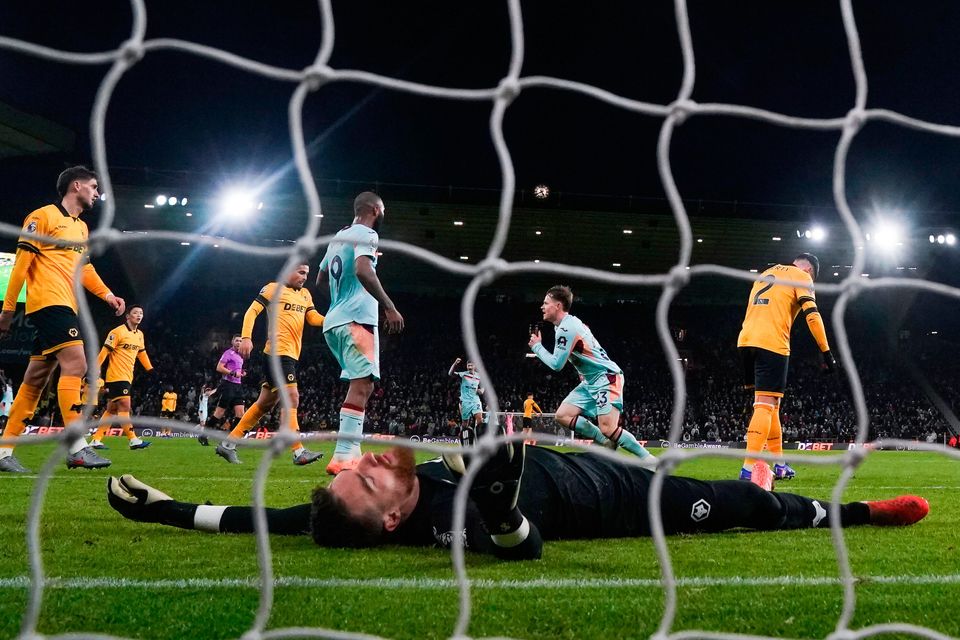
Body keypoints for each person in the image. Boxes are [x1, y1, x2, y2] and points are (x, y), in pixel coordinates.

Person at [106, 434, 930, 561]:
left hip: (583, 460)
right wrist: (499, 507)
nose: (345, 470)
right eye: (361, 480)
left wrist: (162, 507)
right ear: (393, 515)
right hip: (622, 506)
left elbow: (253, 518)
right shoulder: (445, 523)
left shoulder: (333, 514)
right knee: (741, 503)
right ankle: (859, 514)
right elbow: (520, 544)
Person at [0, 166, 125, 473]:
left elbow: (84, 268)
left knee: (35, 379)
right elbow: (20, 266)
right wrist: (7, 309)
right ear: (76, 186)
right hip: (48, 303)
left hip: (66, 305)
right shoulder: (41, 217)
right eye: (94, 187)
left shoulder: (81, 228)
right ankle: (77, 446)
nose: (96, 193)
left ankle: (3, 452)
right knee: (77, 364)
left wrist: (107, 295)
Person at [315, 192, 404, 475]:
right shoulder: (367, 234)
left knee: (362, 384)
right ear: (376, 209)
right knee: (362, 385)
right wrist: (389, 307)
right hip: (357, 322)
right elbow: (364, 270)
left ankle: (352, 453)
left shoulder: (338, 237)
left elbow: (320, 280)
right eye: (384, 209)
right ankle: (342, 455)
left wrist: (340, 304)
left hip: (334, 321)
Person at [528, 285, 656, 469]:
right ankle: (604, 441)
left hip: (606, 377)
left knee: (608, 427)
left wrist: (537, 347)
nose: (542, 306)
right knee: (563, 415)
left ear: (557, 305)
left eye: (545, 303)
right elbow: (587, 348)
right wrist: (582, 372)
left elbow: (557, 364)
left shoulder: (566, 329)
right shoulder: (569, 324)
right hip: (591, 380)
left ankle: (648, 460)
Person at [737, 253, 836, 482]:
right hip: (772, 343)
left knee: (772, 406)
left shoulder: (765, 273)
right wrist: (826, 351)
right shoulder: (801, 276)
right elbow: (812, 315)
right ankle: (748, 468)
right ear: (810, 271)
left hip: (745, 341)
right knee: (764, 405)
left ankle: (780, 465)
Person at [214, 264, 324, 466]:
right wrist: (246, 337)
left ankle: (228, 445)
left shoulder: (306, 295)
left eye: (307, 274)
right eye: (301, 272)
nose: (304, 277)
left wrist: (332, 321)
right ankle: (298, 451)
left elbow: (313, 318)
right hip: (276, 353)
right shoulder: (273, 288)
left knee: (264, 404)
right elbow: (251, 312)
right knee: (292, 397)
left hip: (290, 356)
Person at [89, 305, 154, 451]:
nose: (139, 315)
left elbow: (141, 353)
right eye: (136, 313)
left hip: (128, 376)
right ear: (128, 316)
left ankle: (96, 439)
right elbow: (104, 352)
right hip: (116, 376)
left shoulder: (139, 335)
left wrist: (150, 369)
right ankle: (133, 439)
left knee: (111, 409)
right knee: (125, 406)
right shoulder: (117, 332)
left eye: (141, 313)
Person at [200, 335, 247, 446]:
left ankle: (232, 439)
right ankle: (203, 435)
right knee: (219, 413)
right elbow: (219, 367)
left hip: (238, 386)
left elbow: (237, 370)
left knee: (240, 414)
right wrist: (232, 373)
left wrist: (242, 373)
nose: (239, 342)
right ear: (232, 342)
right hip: (228, 385)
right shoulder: (227, 353)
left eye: (241, 341)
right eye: (237, 340)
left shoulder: (241, 355)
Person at [448, 357, 484, 430]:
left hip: (475, 401)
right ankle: (464, 439)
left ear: (475, 366)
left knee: (480, 420)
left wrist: (482, 390)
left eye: (471, 365)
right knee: (465, 424)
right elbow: (450, 373)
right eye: (468, 365)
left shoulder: (479, 376)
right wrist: (455, 363)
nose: (470, 367)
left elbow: (483, 386)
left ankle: (479, 438)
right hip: (465, 402)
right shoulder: (463, 375)